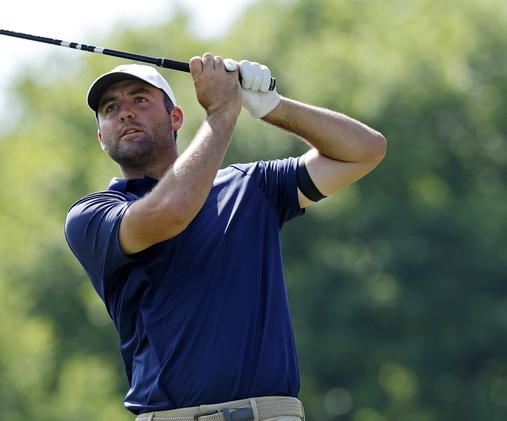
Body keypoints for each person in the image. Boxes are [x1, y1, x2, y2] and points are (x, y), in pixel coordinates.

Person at [64, 53, 386, 421]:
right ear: (102, 136)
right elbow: (173, 211)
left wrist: (271, 107)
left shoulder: (253, 185)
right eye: (110, 108)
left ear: (175, 118)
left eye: (139, 99)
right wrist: (221, 113)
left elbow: (365, 151)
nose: (124, 112)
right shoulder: (93, 215)